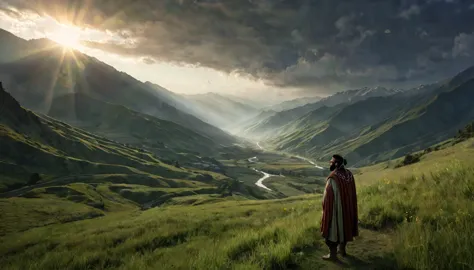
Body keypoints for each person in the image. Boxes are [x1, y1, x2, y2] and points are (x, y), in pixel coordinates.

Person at [320, 154, 358, 260]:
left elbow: (328, 197)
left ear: (336, 163)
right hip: (348, 208)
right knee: (345, 227)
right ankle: (342, 250)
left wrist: (326, 210)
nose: (330, 163)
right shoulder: (349, 174)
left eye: (332, 161)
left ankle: (332, 255)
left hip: (336, 210)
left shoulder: (333, 178)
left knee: (332, 230)